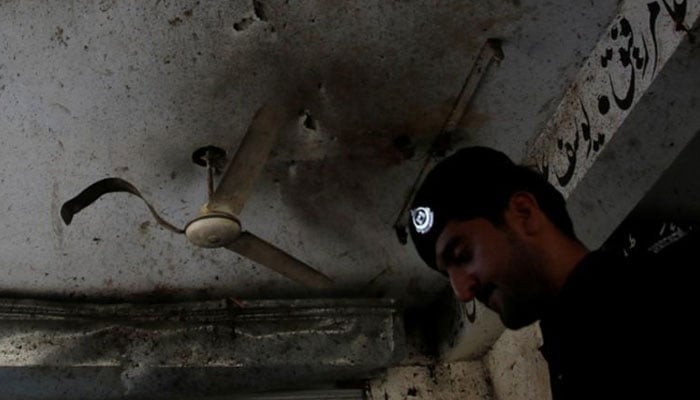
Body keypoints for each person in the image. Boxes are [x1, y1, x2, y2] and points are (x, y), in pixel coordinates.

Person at [408, 146, 695, 399]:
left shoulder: (663, 292)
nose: (461, 291)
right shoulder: (570, 348)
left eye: (462, 256)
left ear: (524, 213)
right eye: (448, 276)